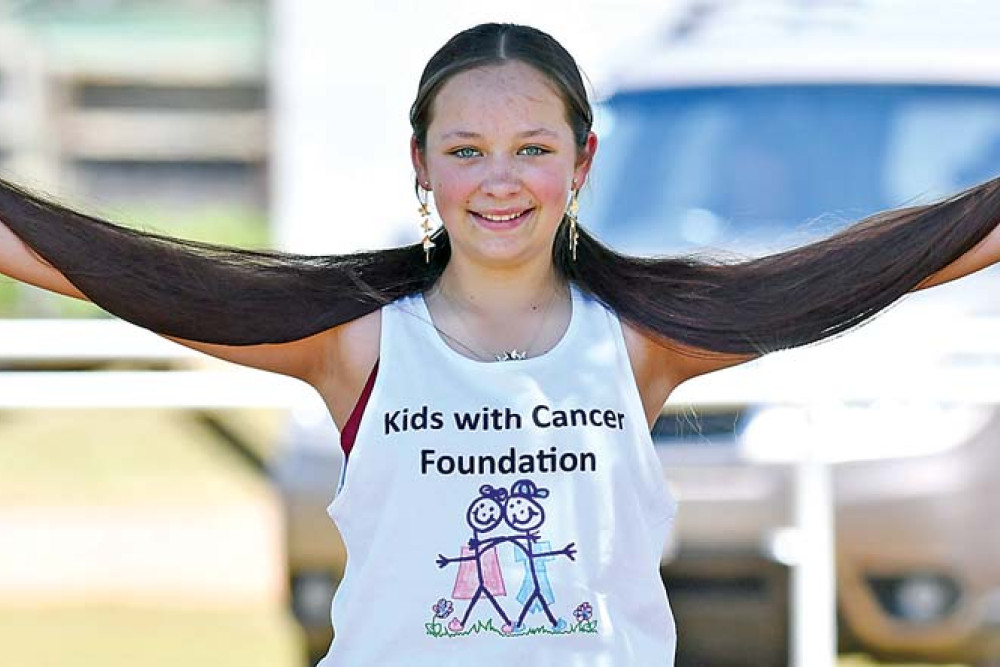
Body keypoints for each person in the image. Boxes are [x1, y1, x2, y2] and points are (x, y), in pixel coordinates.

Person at [1, 21, 999, 666]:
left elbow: (888, 264)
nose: (500, 180)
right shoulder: (353, 341)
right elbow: (111, 269)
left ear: (582, 161)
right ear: (420, 165)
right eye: (465, 150)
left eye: (532, 149)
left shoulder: (641, 338)